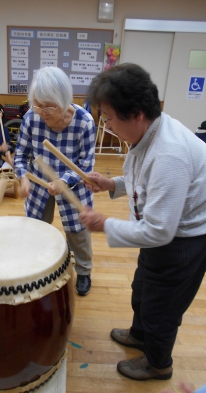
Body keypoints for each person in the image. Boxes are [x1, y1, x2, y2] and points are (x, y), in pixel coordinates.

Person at [79, 63, 206, 380]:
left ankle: (158, 363)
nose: (106, 125)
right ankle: (139, 334)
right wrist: (113, 185)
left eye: (108, 117)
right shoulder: (150, 132)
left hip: (184, 239)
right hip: (163, 230)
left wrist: (104, 224)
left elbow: (160, 231)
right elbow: (144, 180)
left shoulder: (169, 154)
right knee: (142, 289)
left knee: (162, 308)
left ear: (136, 113)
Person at [14, 66, 95, 296]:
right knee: (35, 226)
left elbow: (86, 165)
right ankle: (37, 265)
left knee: (78, 231)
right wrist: (23, 178)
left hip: (73, 185)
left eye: (49, 106)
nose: (43, 112)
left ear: (64, 100)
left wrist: (65, 181)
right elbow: (20, 155)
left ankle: (84, 270)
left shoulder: (84, 122)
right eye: (38, 105)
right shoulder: (32, 118)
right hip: (40, 184)